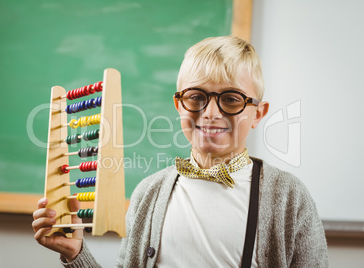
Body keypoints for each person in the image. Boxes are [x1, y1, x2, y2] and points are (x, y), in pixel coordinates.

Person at [32, 35, 329, 267]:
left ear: (258, 114)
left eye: (232, 99)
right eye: (196, 96)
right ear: (179, 105)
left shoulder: (289, 198)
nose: (211, 112)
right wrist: (76, 254)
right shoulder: (149, 193)